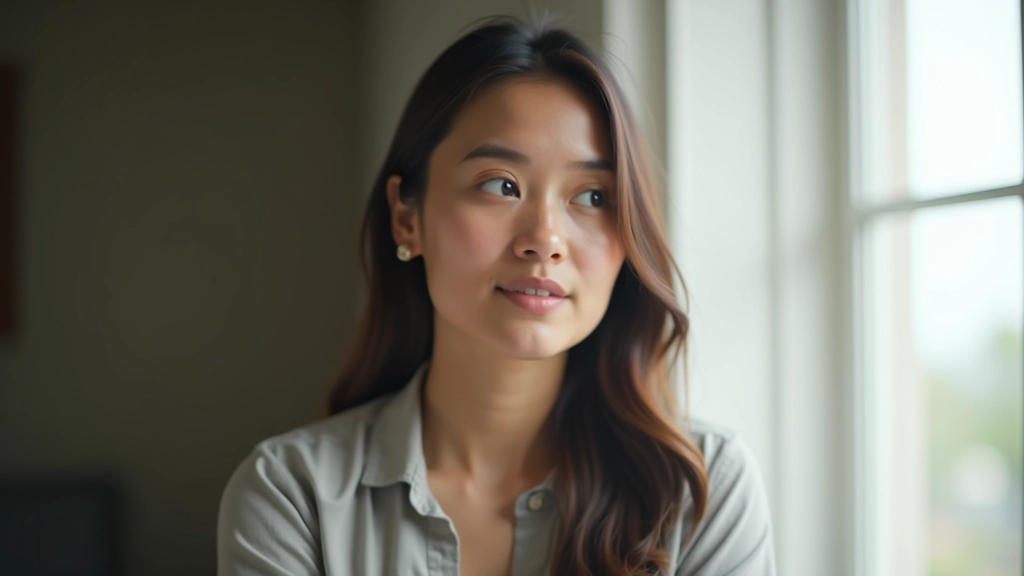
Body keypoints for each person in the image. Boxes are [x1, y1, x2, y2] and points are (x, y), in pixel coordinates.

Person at [217, 15, 776, 576]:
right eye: (500, 185)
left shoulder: (703, 494)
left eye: (592, 196)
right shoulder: (292, 497)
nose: (545, 240)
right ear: (407, 217)